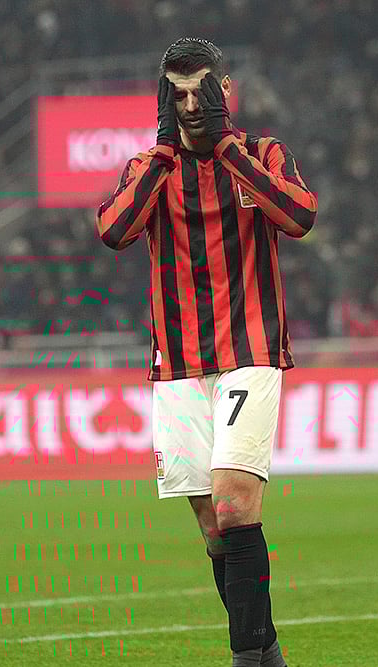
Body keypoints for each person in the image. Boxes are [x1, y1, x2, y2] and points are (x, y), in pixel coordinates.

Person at [96, 37, 317, 666]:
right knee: (214, 527)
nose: (191, 105)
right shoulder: (149, 166)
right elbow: (113, 230)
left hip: (251, 350)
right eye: (178, 94)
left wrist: (225, 148)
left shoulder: (262, 153)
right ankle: (267, 655)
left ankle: (245, 659)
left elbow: (300, 217)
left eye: (202, 92)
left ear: (226, 90)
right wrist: (167, 150)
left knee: (233, 503)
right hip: (177, 364)